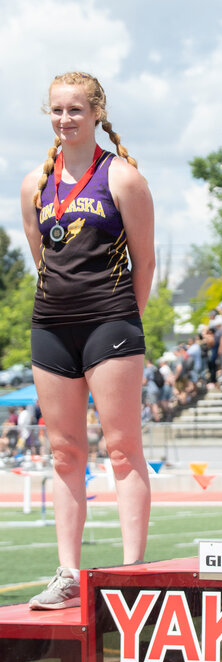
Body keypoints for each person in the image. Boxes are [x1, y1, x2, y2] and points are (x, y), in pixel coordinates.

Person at [20, 72, 155, 609]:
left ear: (97, 112)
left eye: (75, 110)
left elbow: (145, 259)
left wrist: (127, 320)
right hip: (52, 326)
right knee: (63, 453)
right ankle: (69, 573)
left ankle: (133, 572)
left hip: (111, 323)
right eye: (56, 110)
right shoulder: (35, 183)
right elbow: (42, 260)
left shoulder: (122, 177)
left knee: (122, 450)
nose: (64, 119)